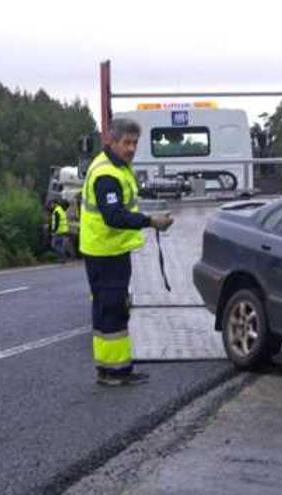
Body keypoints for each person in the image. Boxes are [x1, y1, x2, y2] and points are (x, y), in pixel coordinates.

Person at [80, 118, 174, 386]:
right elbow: (113, 216)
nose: (131, 148)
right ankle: (116, 372)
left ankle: (108, 368)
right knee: (113, 310)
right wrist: (150, 221)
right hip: (106, 252)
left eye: (135, 143)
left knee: (105, 309)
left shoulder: (117, 166)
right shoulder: (106, 174)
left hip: (107, 250)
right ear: (112, 141)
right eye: (127, 143)